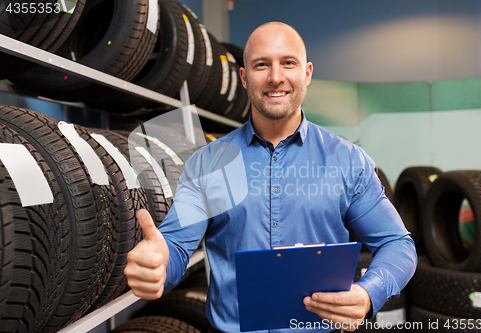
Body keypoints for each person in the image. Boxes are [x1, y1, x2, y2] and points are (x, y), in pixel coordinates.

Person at [125, 22, 417, 332]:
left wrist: (368, 293)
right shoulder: (207, 164)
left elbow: (397, 243)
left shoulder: (347, 161)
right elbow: (176, 246)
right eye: (261, 65)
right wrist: (157, 263)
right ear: (244, 77)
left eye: (288, 63)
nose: (275, 77)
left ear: (307, 73)